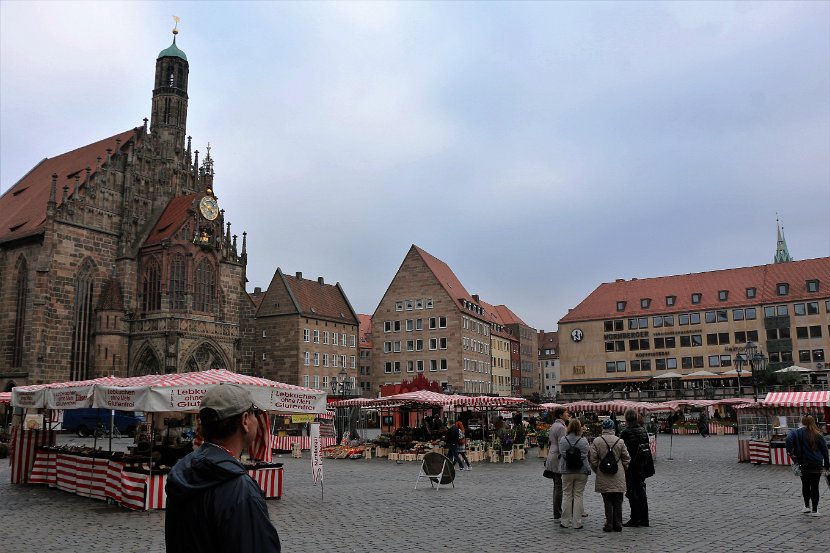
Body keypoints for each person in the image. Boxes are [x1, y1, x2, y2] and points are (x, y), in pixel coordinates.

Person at [165, 384, 281, 553]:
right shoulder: (241, 490)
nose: (258, 420)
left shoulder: (182, 470)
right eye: (255, 413)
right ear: (245, 421)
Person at [589, 418, 631, 532]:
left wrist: (597, 469)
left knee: (607, 500)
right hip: (618, 474)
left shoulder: (597, 441)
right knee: (618, 500)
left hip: (603, 474)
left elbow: (592, 459)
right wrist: (623, 468)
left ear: (603, 428)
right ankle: (618, 524)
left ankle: (609, 524)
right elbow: (626, 458)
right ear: (613, 428)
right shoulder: (620, 441)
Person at [786, 415, 830, 516]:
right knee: (815, 486)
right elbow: (825, 452)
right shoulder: (818, 435)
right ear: (813, 422)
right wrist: (827, 465)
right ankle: (815, 510)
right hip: (816, 464)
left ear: (802, 422)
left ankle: (806, 506)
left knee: (805, 485)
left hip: (803, 463)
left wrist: (792, 455)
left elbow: (788, 439)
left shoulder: (796, 433)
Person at [557, 418, 591, 529]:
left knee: (567, 495)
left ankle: (565, 521)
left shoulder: (563, 440)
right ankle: (577, 522)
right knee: (578, 495)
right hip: (581, 471)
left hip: (567, 470)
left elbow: (563, 454)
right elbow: (585, 455)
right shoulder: (584, 441)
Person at [620, 408, 650, 527]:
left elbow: (622, 449)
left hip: (631, 466)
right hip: (642, 465)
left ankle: (635, 518)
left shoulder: (625, 432)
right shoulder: (643, 430)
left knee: (632, 492)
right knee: (641, 491)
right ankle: (644, 518)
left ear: (626, 419)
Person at [544, 407, 570, 523]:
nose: (568, 414)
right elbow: (562, 444)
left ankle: (557, 512)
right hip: (557, 457)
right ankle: (557, 512)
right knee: (559, 486)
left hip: (552, 455)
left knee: (556, 486)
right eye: (566, 413)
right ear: (560, 415)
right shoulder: (561, 427)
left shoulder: (554, 425)